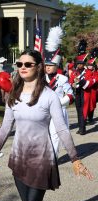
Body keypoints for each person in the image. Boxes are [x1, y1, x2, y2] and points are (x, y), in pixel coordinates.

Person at [0, 50, 93, 201]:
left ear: (39, 67)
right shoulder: (14, 94)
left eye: (28, 64)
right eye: (19, 64)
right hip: (19, 159)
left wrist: (75, 158)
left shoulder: (49, 96)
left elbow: (61, 129)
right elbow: (5, 127)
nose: (23, 68)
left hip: (41, 161)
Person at [44, 26, 74, 156]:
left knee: (55, 134)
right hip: (44, 110)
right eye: (46, 65)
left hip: (58, 110)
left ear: (56, 66)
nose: (48, 67)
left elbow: (70, 95)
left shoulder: (62, 79)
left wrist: (59, 103)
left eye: (50, 65)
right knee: (45, 134)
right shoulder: (40, 78)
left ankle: (53, 158)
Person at [69, 40, 95, 135]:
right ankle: (81, 127)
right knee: (78, 111)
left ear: (84, 64)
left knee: (83, 111)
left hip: (85, 93)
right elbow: (71, 81)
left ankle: (82, 129)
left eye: (81, 63)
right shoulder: (75, 72)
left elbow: (90, 83)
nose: (79, 65)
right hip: (77, 93)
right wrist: (73, 84)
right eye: (78, 63)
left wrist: (80, 82)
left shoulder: (88, 72)